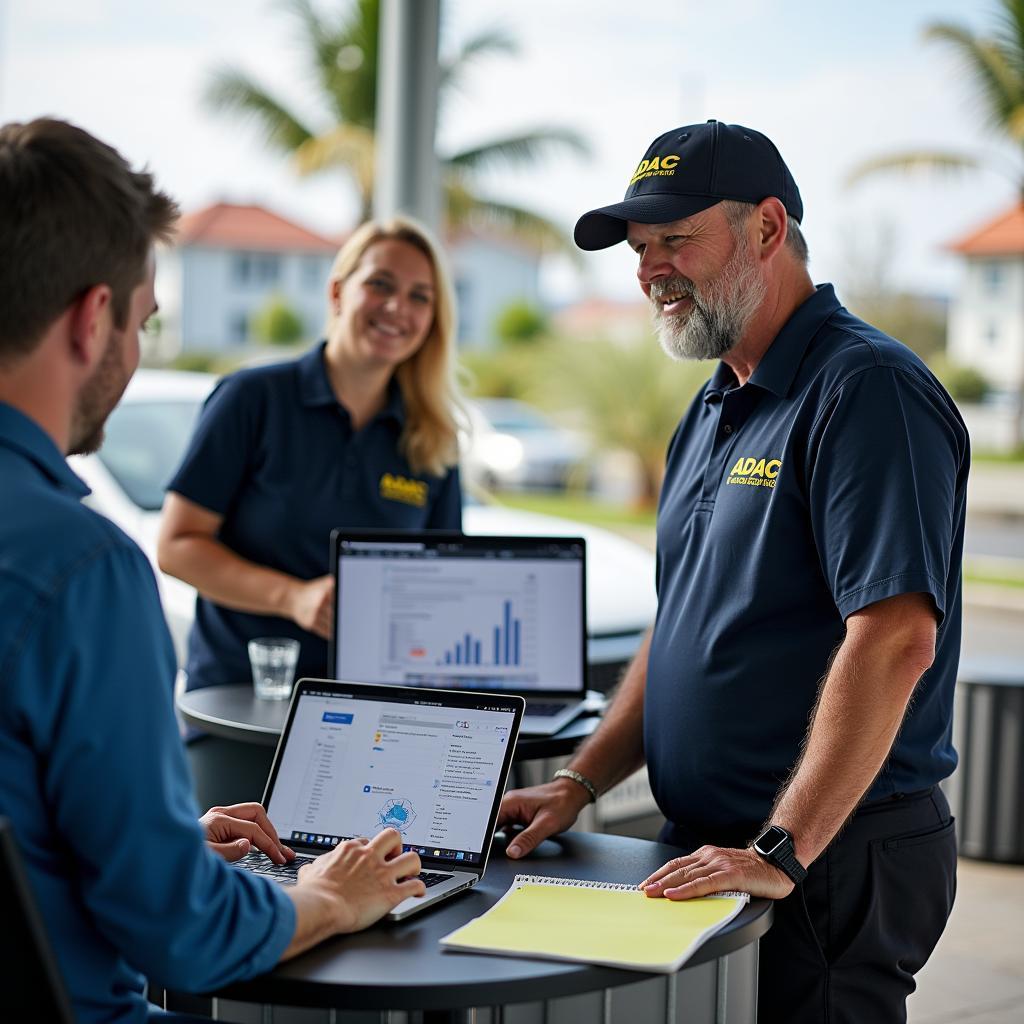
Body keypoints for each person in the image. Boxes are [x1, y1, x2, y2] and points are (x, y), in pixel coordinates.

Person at [498, 120, 966, 1023]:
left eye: (676, 239)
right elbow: (681, 629)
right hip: (715, 850)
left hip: (825, 856)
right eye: (640, 249)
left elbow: (898, 635)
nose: (649, 271)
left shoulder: (865, 388)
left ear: (766, 227)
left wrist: (783, 850)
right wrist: (581, 782)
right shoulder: (714, 406)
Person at [0, 117, 425, 1024]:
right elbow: (181, 932)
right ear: (92, 318)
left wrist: (165, 848)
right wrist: (329, 897)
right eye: (145, 320)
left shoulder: (427, 435)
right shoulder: (79, 572)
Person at [157, 216, 463, 695]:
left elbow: (443, 585)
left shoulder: (432, 438)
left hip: (373, 711)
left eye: (420, 296)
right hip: (239, 701)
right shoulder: (252, 398)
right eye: (379, 284)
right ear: (338, 292)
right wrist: (292, 597)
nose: (396, 307)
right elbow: (176, 546)